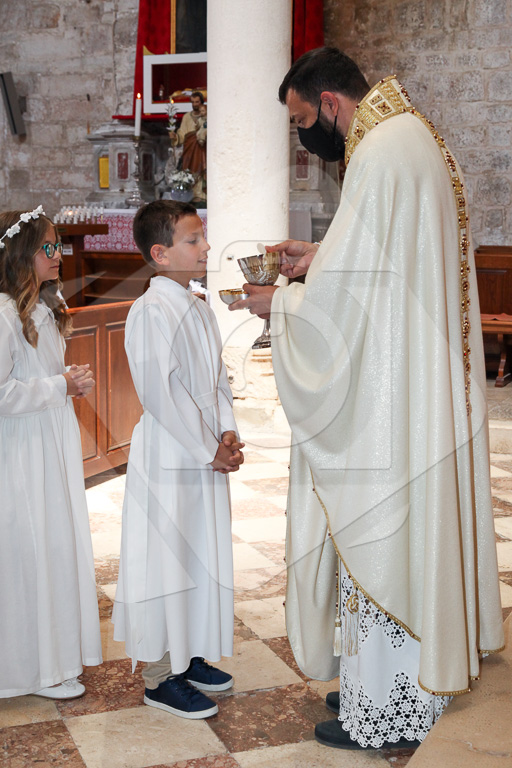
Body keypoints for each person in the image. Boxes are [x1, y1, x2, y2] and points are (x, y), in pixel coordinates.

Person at [230, 47, 505, 749]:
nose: (305, 139)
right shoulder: (414, 136)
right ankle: (389, 685)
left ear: (329, 103)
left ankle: (382, 707)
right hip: (417, 382)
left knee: (381, 532)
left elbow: (351, 305)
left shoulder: (378, 152)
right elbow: (386, 266)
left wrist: (279, 303)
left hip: (390, 403)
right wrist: (318, 258)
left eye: (302, 121)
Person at [112, 199, 244, 720]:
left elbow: (217, 380)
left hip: (204, 452)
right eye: (193, 239)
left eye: (203, 236)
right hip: (172, 452)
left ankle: (187, 655)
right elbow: (160, 393)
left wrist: (227, 430)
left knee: (197, 553)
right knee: (165, 558)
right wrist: (208, 448)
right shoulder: (151, 310)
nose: (206, 246)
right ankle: (158, 676)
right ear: (160, 254)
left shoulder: (199, 305)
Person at [0, 206, 102, 700]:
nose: (59, 254)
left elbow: (39, 374)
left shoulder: (45, 308)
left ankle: (53, 656)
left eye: (58, 244)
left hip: (47, 443)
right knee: (29, 550)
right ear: (22, 254)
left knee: (55, 545)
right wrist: (58, 386)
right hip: (20, 451)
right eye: (49, 246)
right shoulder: (3, 315)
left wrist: (67, 382)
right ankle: (30, 669)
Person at [169, 91, 207, 203]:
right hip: (190, 150)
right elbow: (182, 134)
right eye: (193, 102)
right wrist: (175, 137)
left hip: (203, 149)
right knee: (190, 171)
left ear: (202, 102)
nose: (195, 104)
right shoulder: (187, 117)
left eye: (197, 102)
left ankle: (202, 195)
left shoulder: (207, 116)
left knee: (203, 169)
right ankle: (192, 194)